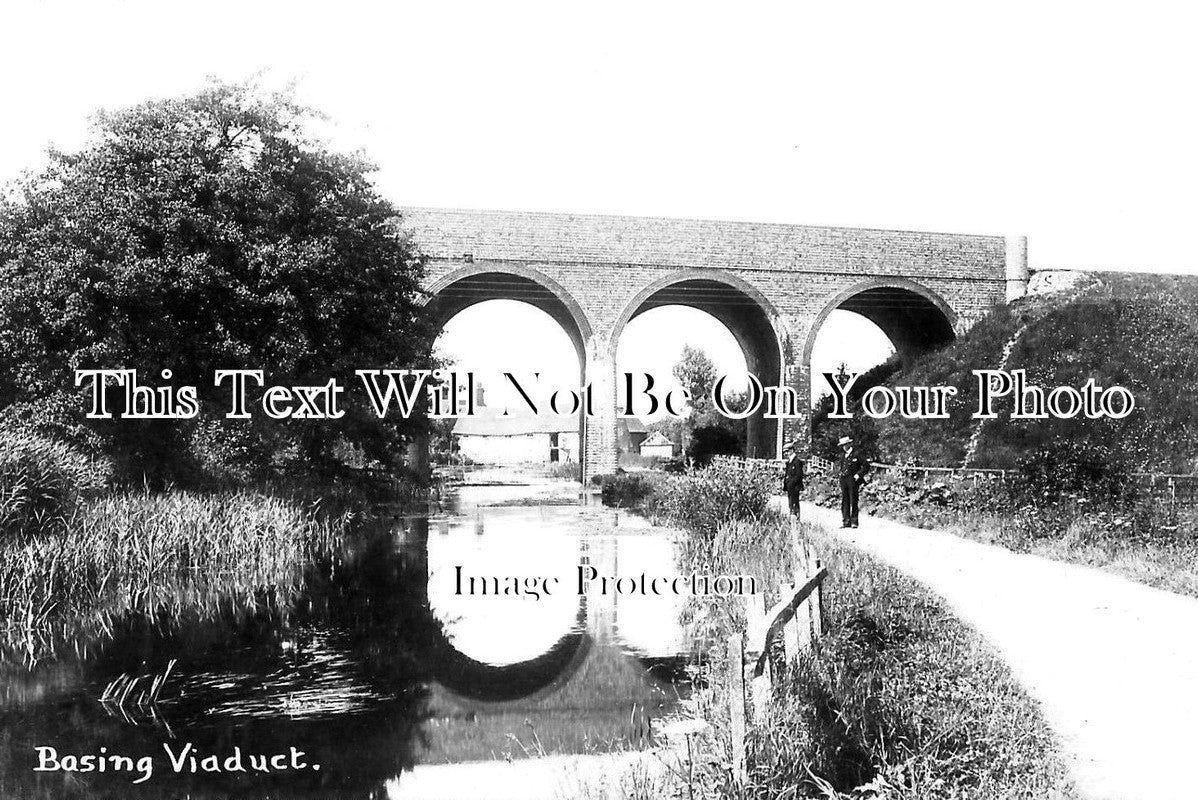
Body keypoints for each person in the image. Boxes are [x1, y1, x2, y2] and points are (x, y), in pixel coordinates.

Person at [837, 435, 869, 528]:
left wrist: (858, 475)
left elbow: (866, 466)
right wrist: (840, 475)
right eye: (842, 445)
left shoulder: (857, 454)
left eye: (845, 444)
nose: (844, 447)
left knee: (853, 500)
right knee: (845, 500)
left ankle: (854, 521)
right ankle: (846, 521)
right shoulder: (842, 455)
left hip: (853, 479)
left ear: (849, 444)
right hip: (844, 479)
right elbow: (841, 467)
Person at [782, 441, 805, 518]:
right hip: (790, 487)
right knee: (790, 504)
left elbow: (799, 475)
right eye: (785, 452)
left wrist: (791, 482)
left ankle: (796, 519)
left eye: (787, 451)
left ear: (792, 450)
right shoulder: (789, 462)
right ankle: (792, 519)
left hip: (795, 487)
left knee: (795, 503)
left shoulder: (797, 461)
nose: (786, 453)